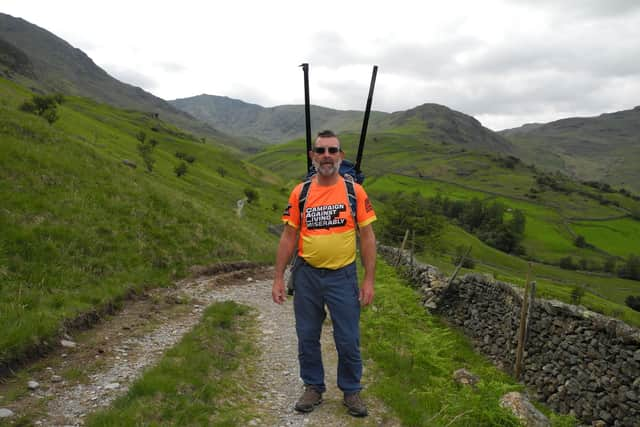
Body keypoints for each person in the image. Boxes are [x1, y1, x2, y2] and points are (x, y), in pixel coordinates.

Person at [272, 130, 377, 417]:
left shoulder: (354, 192)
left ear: (341, 156)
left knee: (348, 338)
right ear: (312, 156)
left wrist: (368, 279)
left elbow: (367, 237)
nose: (327, 156)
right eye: (321, 151)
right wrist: (279, 276)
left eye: (332, 151)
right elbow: (288, 237)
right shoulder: (301, 192)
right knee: (307, 335)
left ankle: (351, 390)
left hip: (342, 276)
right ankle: (313, 387)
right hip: (306, 276)